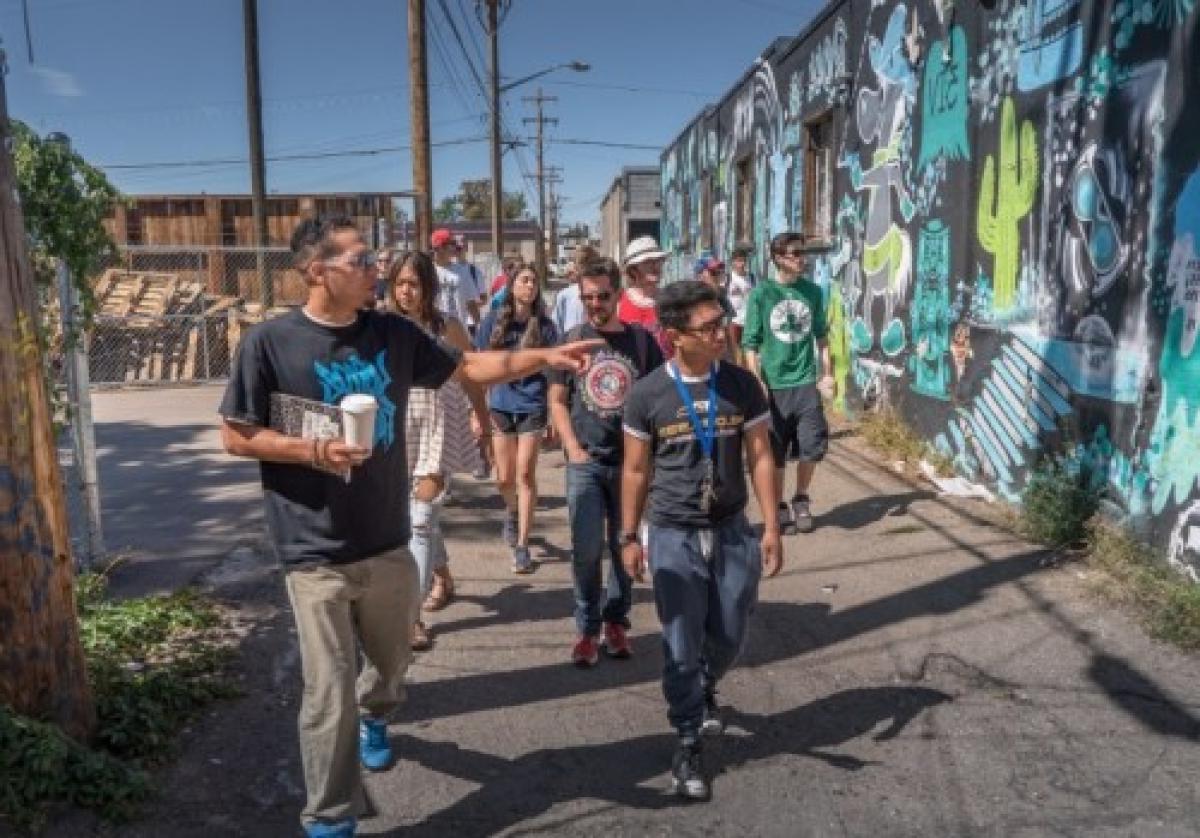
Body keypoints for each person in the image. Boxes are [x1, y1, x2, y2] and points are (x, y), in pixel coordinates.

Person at [218, 215, 599, 838]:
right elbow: (235, 435)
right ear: (318, 272)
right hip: (311, 547)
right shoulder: (270, 343)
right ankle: (330, 818)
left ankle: (378, 715)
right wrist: (313, 452)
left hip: (387, 538)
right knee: (327, 690)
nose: (375, 271)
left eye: (373, 261)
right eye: (361, 262)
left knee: (390, 667)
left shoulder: (391, 334)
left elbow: (469, 368)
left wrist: (543, 357)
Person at [620, 279, 782, 801]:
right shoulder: (647, 394)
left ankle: (705, 685)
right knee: (680, 643)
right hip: (671, 531)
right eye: (709, 327)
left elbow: (760, 455)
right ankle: (687, 736)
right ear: (675, 337)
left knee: (731, 630)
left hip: (732, 527)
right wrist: (628, 536)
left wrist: (773, 525)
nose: (721, 332)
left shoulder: (741, 384)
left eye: (722, 321)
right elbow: (635, 471)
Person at [548, 256, 664, 667]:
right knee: (585, 548)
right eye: (587, 297)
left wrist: (654, 454)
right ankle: (586, 626)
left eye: (601, 296)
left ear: (617, 294)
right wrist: (573, 448)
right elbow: (557, 401)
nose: (594, 304)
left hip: (630, 463)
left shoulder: (642, 342)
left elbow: (657, 399)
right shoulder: (572, 339)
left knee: (623, 545)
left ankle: (616, 621)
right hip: (586, 462)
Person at [384, 250, 489, 650]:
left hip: (437, 425)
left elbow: (473, 377)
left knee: (422, 518)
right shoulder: (381, 327)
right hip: (394, 428)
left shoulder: (448, 328)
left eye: (414, 283)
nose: (406, 291)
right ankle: (442, 575)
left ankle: (411, 619)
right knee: (416, 516)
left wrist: (483, 420)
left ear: (428, 287)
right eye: (400, 283)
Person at [741, 231, 836, 536]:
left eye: (802, 252)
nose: (801, 258)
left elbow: (821, 337)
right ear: (778, 258)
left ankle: (801, 498)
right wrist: (757, 381)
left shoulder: (812, 292)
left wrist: (827, 373)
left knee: (812, 445)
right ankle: (780, 505)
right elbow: (750, 344)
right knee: (777, 451)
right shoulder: (762, 294)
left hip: (806, 381)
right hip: (774, 384)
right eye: (795, 253)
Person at [475, 265, 559, 573]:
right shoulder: (493, 324)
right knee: (504, 479)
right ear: (511, 287)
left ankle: (522, 545)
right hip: (499, 406)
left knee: (525, 476)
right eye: (525, 280)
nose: (530, 285)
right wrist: (477, 411)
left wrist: (553, 413)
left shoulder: (547, 328)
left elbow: (554, 372)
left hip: (533, 406)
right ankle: (513, 512)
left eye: (534, 280)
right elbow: (478, 368)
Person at [619, 235, 671, 356]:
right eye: (648, 262)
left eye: (658, 261)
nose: (655, 267)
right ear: (633, 270)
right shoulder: (619, 302)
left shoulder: (671, 301)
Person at [695, 255, 740, 363]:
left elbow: (729, 331)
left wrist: (736, 362)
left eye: (719, 273)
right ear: (700, 275)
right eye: (713, 273)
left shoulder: (721, 297)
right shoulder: (691, 301)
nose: (718, 277)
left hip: (721, 359)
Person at [550, 243, 597, 336]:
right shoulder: (565, 296)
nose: (584, 271)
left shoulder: (603, 295)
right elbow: (556, 329)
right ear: (575, 267)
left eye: (588, 266)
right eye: (580, 266)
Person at [429, 228, 472, 324]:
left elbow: (470, 302)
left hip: (460, 332)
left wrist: (479, 326)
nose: (455, 247)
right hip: (435, 332)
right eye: (452, 244)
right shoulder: (427, 271)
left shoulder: (462, 270)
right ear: (440, 247)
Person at [449, 234, 486, 335]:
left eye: (460, 246)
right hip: (450, 324)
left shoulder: (474, 271)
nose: (458, 249)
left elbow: (483, 298)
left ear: (466, 247)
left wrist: (466, 303)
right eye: (456, 246)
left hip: (470, 323)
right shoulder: (446, 269)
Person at [727, 244, 756, 346]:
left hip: (749, 321)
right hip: (733, 322)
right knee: (735, 352)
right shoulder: (728, 278)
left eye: (744, 260)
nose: (742, 264)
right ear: (733, 262)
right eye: (739, 261)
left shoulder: (752, 277)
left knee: (749, 349)